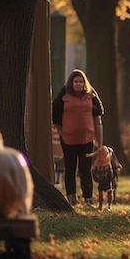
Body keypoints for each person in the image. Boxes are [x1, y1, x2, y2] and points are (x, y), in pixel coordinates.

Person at [52, 69, 104, 206]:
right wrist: (62, 134)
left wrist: (100, 143)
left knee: (85, 169)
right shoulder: (64, 95)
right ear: (71, 83)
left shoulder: (91, 96)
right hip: (68, 140)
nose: (79, 84)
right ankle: (71, 197)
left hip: (87, 139)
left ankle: (88, 198)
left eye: (81, 81)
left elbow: (98, 118)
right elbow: (56, 118)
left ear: (84, 83)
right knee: (70, 168)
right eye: (76, 81)